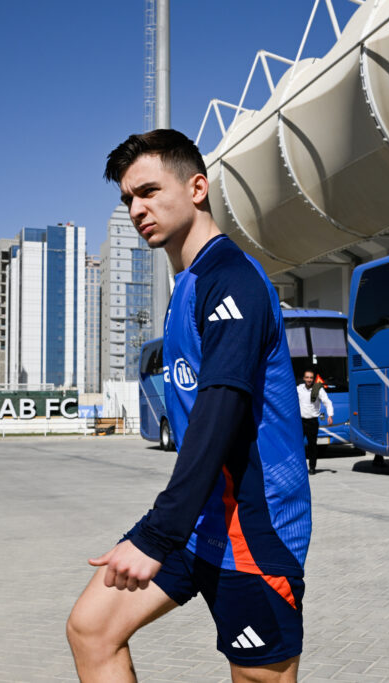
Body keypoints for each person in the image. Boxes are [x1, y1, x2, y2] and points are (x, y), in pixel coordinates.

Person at [66, 130, 310, 683]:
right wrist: (170, 527)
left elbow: (221, 411)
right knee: (91, 629)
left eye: (149, 191)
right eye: (128, 198)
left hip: (252, 527)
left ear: (197, 187)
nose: (136, 208)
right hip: (198, 523)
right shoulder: (189, 285)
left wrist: (156, 533)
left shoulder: (233, 280)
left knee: (258, 676)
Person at [297, 369, 333, 474]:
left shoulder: (318, 389)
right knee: (298, 446)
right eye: (307, 377)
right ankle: (298, 468)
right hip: (300, 422)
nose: (309, 379)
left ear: (313, 379)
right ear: (304, 378)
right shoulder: (299, 389)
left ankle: (312, 467)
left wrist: (330, 415)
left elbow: (327, 402)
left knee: (312, 446)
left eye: (311, 377)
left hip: (312, 422)